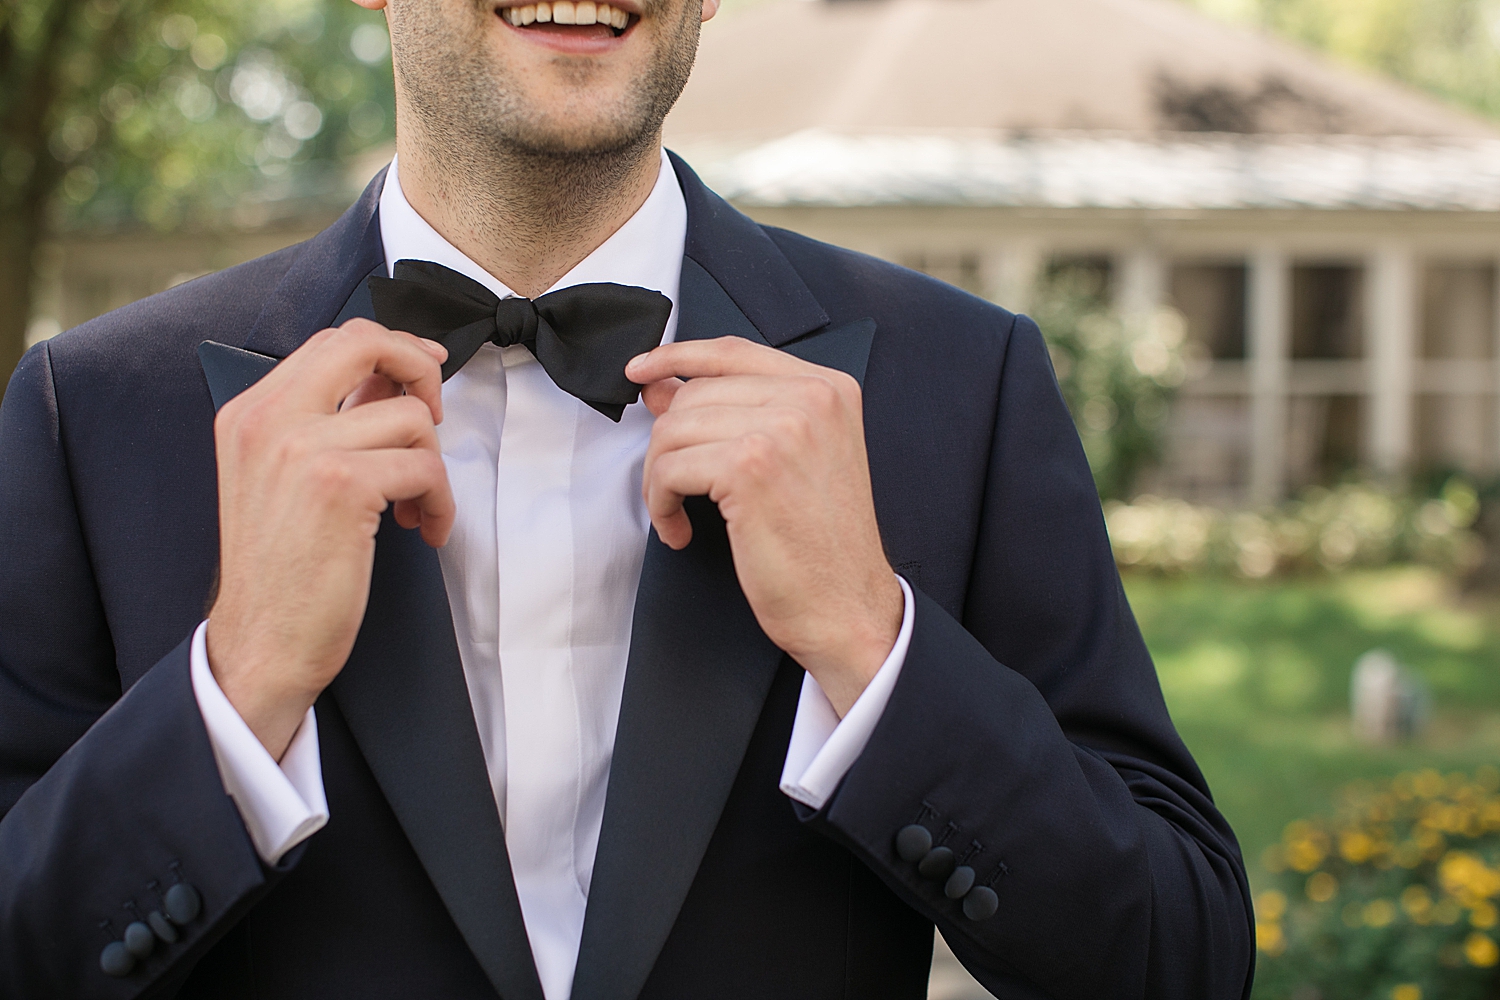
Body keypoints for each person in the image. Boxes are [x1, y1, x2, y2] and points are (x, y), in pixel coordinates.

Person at [0, 0, 1255, 995]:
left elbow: (1178, 955)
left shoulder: (961, 384)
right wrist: (236, 684)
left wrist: (877, 649)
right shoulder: (93, 411)